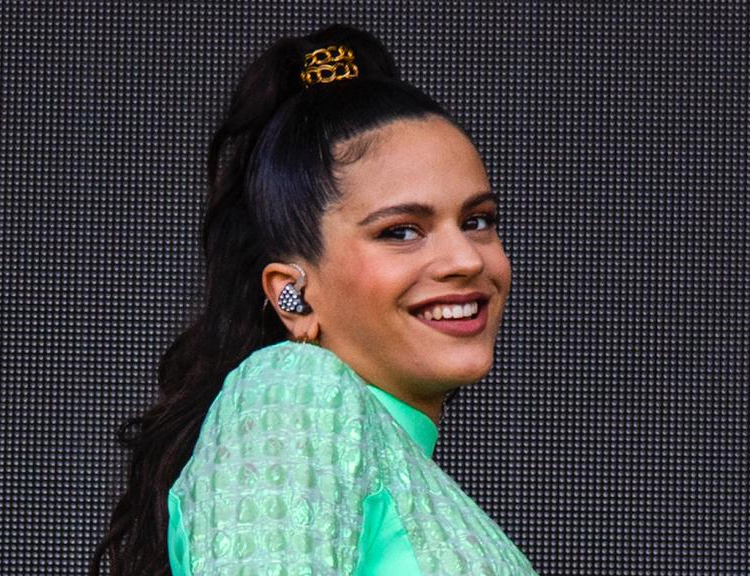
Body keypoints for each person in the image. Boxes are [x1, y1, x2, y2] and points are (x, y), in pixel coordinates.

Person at [92, 24, 536, 576]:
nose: (466, 259)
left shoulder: (407, 474)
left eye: (478, 221)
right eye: (401, 231)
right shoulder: (295, 388)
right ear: (292, 294)